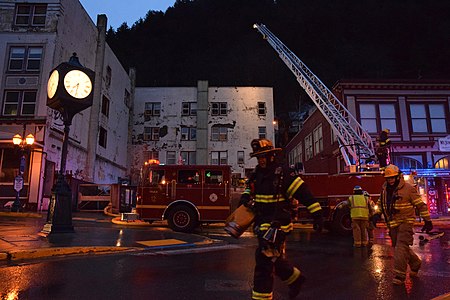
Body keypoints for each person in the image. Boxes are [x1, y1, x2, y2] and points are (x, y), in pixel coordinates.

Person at [240, 138, 323, 300]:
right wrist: (244, 198)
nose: (261, 160)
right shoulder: (256, 175)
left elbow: (303, 193)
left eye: (264, 156)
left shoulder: (284, 173)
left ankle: (262, 297)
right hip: (261, 225)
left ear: (272, 155)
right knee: (273, 259)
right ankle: (295, 279)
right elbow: (247, 190)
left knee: (263, 263)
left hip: (278, 225)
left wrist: (317, 214)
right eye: (258, 157)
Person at [375, 164, 433, 285]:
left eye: (392, 178)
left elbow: (420, 205)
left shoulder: (408, 189)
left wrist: (427, 220)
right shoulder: (384, 190)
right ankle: (415, 263)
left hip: (406, 222)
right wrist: (376, 215)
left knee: (400, 247)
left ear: (398, 177)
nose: (390, 180)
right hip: (392, 224)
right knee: (400, 248)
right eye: (388, 178)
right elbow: (380, 204)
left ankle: (399, 275)